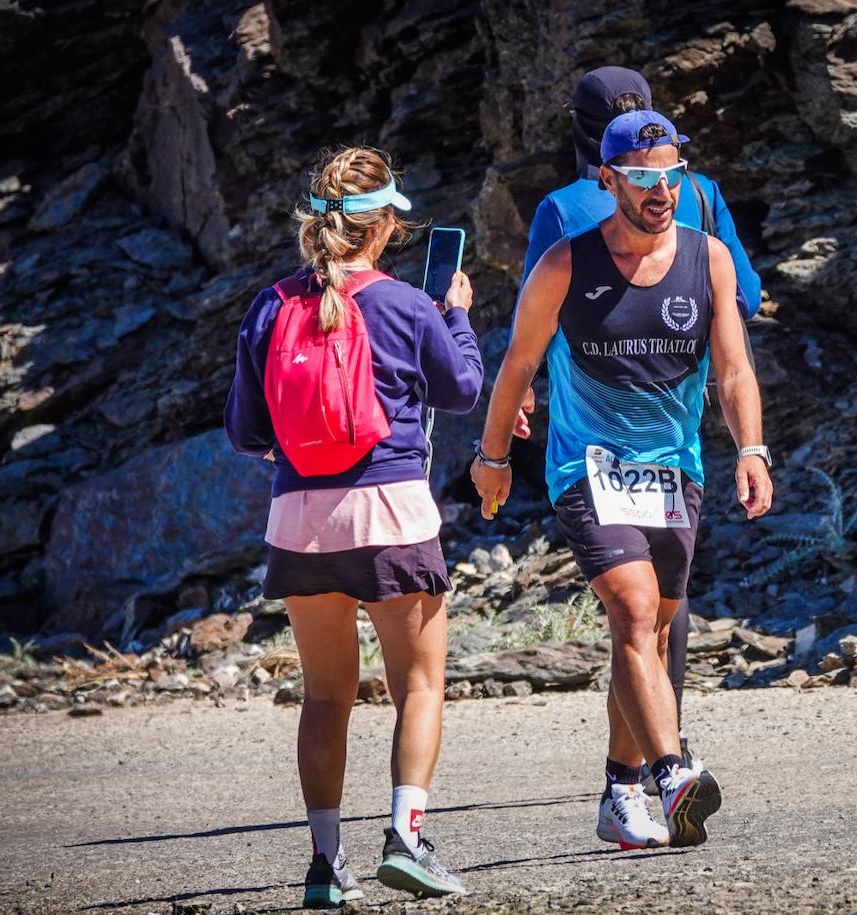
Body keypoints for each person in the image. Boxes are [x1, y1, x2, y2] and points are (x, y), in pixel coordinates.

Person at [472, 111, 773, 850]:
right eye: (643, 178)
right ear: (607, 180)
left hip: (675, 468)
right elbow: (516, 365)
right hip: (587, 464)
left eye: (671, 175)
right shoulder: (565, 265)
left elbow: (733, 368)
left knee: (652, 628)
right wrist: (492, 459)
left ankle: (619, 785)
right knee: (635, 610)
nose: (661, 190)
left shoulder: (709, 259)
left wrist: (752, 447)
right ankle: (672, 773)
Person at [224, 147, 482, 905]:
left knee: (325, 696)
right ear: (386, 226)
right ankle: (405, 837)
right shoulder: (406, 304)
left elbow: (244, 430)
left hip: (299, 522)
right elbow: (462, 388)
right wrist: (456, 311)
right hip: (392, 514)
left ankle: (324, 865)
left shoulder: (269, 305)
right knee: (420, 684)